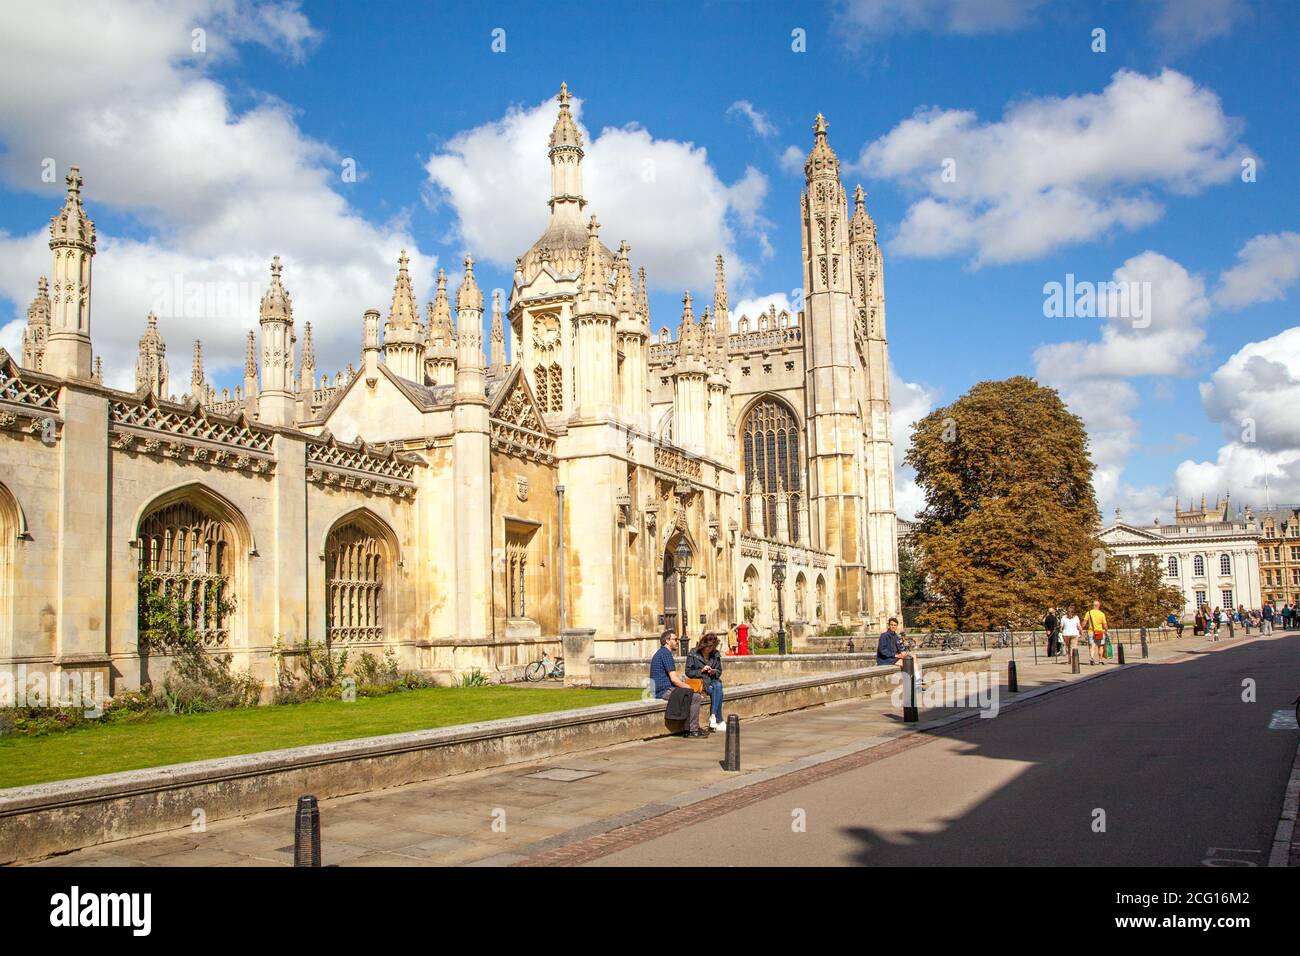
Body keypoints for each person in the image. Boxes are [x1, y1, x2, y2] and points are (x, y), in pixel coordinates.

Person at [649, 630, 706, 737]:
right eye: (675, 639)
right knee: (695, 697)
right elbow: (674, 679)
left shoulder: (662, 653)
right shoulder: (666, 654)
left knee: (689, 695)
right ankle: (693, 730)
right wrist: (689, 688)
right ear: (667, 641)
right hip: (663, 691)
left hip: (662, 689)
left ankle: (689, 728)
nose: (677, 642)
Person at [686, 632, 725, 731]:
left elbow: (719, 670)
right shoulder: (693, 653)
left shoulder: (715, 654)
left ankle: (713, 716)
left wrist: (714, 672)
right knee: (718, 691)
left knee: (718, 686)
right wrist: (701, 670)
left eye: (712, 647)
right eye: (708, 647)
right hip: (701, 682)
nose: (710, 649)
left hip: (712, 680)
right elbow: (688, 672)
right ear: (703, 645)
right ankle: (719, 720)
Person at [1082, 600, 1108, 665]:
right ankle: (1100, 660)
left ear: (1093, 605)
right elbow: (1105, 625)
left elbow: (1084, 623)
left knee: (1092, 646)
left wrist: (1080, 629)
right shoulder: (1102, 614)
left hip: (1091, 631)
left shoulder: (1088, 613)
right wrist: (1106, 630)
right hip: (1099, 631)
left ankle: (1092, 658)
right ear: (1098, 606)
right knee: (1100, 646)